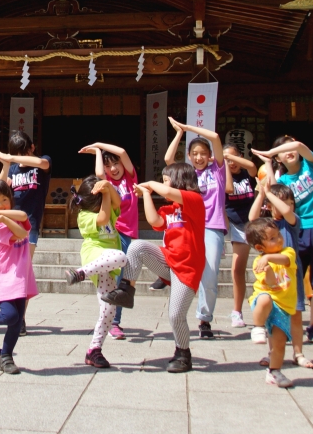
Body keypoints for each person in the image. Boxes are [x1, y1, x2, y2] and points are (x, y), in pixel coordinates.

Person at [105, 163, 206, 373]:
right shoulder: (169, 209)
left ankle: (183, 354)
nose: (163, 184)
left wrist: (150, 183)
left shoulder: (194, 201)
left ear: (179, 180)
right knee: (137, 246)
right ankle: (126, 290)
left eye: (166, 179)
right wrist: (146, 195)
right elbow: (154, 220)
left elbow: (168, 191)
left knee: (175, 315)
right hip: (168, 260)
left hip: (187, 268)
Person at [253, 136, 313, 344]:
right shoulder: (284, 181)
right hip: (299, 230)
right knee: (289, 276)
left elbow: (300, 146)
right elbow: (276, 195)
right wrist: (268, 162)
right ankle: (286, 323)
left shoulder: (311, 166)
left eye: (289, 146)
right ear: (279, 158)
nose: (289, 152)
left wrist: (273, 151)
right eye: (282, 151)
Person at [0, 131, 51, 331]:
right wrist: (7, 164)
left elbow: (43, 164)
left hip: (27, 225)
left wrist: (10, 157)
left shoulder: (42, 163)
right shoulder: (13, 168)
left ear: (32, 148)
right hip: (2, 221)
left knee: (21, 271)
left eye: (23, 151)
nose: (20, 156)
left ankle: (20, 319)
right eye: (16, 153)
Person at [164, 118, 225, 339]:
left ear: (209, 156)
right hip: (186, 226)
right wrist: (179, 134)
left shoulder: (217, 170)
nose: (199, 157)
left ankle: (204, 319)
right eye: (195, 154)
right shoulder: (186, 174)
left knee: (209, 276)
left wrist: (188, 127)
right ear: (189, 156)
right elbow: (168, 159)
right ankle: (165, 280)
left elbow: (216, 138)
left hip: (212, 226)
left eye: (203, 153)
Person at [249, 180, 313, 369]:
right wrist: (262, 194)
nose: (287, 206)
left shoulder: (292, 221)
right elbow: (252, 219)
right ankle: (273, 353)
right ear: (268, 207)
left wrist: (269, 194)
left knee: (296, 314)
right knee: (274, 317)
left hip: (291, 277)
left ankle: (298, 352)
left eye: (290, 202)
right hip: (272, 278)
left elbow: (286, 212)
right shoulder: (267, 225)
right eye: (281, 201)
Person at [0, 178, 38, 374]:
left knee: (17, 320)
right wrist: (2, 217)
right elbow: (21, 233)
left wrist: (2, 213)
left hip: (21, 274)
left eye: (4, 200)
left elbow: (23, 215)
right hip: (5, 275)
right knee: (10, 316)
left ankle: (5, 356)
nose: (0, 205)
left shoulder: (6, 216)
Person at [64, 175, 126, 368]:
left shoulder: (108, 206)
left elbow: (118, 201)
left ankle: (94, 350)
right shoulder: (84, 214)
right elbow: (104, 217)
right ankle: (80, 272)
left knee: (109, 309)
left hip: (107, 265)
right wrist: (106, 193)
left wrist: (108, 187)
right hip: (94, 256)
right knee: (122, 257)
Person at [79, 142, 137, 340]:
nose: (113, 168)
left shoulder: (130, 178)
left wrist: (98, 145)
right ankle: (114, 323)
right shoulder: (107, 183)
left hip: (129, 234)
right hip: (113, 234)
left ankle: (113, 320)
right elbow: (98, 174)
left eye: (116, 164)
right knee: (116, 279)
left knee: (124, 279)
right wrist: (97, 153)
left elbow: (122, 151)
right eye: (108, 166)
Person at [246, 216, 298, 388]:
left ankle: (274, 371)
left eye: (278, 235)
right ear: (260, 247)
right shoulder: (258, 261)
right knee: (265, 298)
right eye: (273, 238)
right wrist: (266, 267)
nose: (279, 239)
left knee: (279, 343)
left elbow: (286, 260)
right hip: (265, 302)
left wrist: (268, 259)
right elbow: (269, 284)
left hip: (283, 306)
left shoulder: (287, 252)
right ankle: (258, 326)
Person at [223, 144, 258, 329]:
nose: (232, 163)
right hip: (236, 225)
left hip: (253, 223)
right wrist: (224, 164)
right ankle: (237, 311)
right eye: (226, 159)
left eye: (234, 158)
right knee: (237, 269)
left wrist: (229, 158)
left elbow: (252, 167)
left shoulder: (247, 174)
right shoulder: (223, 176)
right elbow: (226, 191)